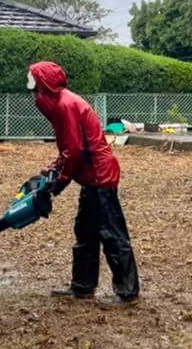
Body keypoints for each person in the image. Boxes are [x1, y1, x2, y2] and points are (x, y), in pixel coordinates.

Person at [27, 60, 140, 305]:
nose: (29, 84)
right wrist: (55, 168)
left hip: (100, 176)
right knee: (86, 232)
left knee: (111, 234)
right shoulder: (60, 102)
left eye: (33, 78)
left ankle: (128, 293)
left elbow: (76, 150)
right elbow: (71, 148)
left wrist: (59, 183)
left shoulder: (65, 105)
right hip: (92, 176)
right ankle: (82, 287)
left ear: (44, 81)